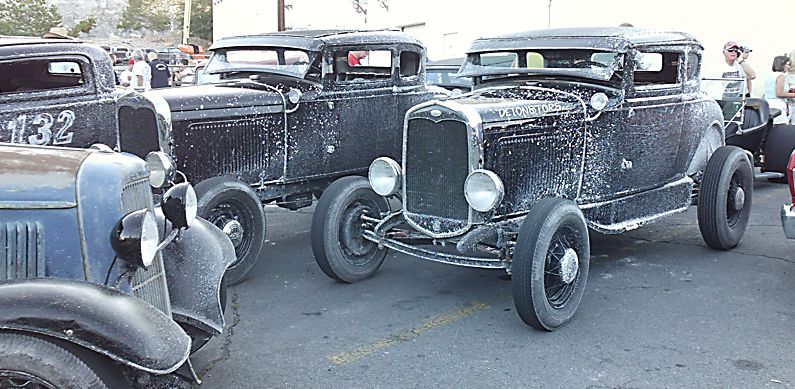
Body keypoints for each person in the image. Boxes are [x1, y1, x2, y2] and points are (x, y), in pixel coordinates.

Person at [763, 55, 795, 125]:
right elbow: (779, 93)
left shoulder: (771, 75)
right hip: (778, 105)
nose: (789, 67)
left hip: (769, 104)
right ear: (782, 64)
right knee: (780, 127)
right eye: (787, 64)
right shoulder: (781, 75)